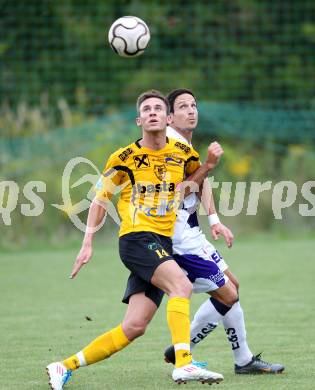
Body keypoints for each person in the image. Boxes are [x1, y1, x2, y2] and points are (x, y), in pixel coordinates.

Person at [46, 90, 225, 390]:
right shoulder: (124, 158)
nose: (153, 112)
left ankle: (63, 366)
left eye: (158, 108)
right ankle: (184, 364)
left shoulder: (183, 154)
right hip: (136, 239)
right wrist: (86, 243)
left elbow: (189, 188)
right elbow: (99, 200)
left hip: (162, 244)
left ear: (168, 119)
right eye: (147, 109)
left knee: (134, 326)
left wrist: (207, 166)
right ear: (138, 119)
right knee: (181, 284)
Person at [163, 88, 285, 374]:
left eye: (193, 105)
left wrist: (215, 219)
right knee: (228, 295)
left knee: (233, 287)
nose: (191, 110)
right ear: (169, 117)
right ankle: (185, 348)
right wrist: (207, 165)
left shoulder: (185, 147)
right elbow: (180, 193)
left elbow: (201, 182)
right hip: (179, 241)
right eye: (182, 107)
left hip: (193, 235)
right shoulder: (168, 147)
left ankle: (242, 360)